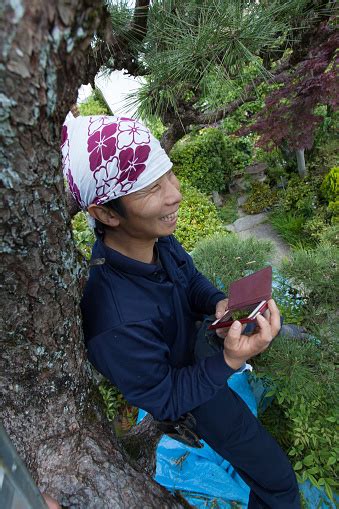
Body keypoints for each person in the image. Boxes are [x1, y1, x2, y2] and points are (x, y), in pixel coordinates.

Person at [61, 115, 301, 508]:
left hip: (202, 344)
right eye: (152, 188)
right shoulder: (115, 320)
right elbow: (167, 398)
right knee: (278, 483)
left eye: (169, 175)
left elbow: (191, 281)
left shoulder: (155, 239)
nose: (175, 194)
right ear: (106, 213)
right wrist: (228, 361)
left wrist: (218, 304)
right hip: (192, 391)